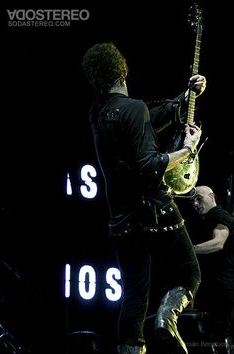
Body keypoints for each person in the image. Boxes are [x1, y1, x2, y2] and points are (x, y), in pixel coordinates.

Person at [81, 42, 206, 354]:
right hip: (154, 209)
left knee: (135, 294)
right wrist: (189, 150)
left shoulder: (98, 114)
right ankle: (167, 316)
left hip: (121, 222)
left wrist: (187, 97)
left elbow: (147, 119)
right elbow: (151, 166)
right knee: (191, 272)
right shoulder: (132, 109)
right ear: (124, 70)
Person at [191, 186, 234, 354]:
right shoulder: (206, 219)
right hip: (215, 286)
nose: (195, 203)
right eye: (192, 201)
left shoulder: (219, 214)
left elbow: (218, 243)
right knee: (212, 336)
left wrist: (189, 250)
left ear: (212, 196)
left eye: (199, 198)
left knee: (221, 336)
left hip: (223, 287)